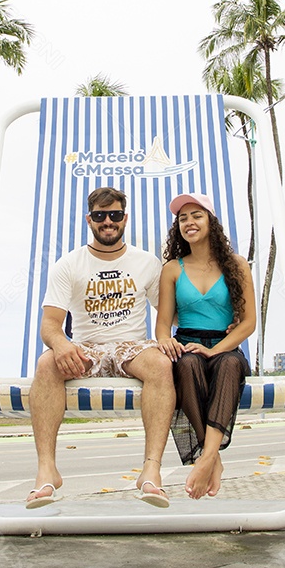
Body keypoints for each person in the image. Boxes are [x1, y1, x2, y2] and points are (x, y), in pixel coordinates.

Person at [27, 186, 176, 509]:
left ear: (125, 218)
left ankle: (150, 470)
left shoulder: (147, 263)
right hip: (87, 347)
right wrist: (62, 345)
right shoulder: (68, 264)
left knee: (162, 365)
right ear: (89, 219)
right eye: (100, 215)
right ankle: (47, 471)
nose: (108, 221)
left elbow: (171, 314)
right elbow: (50, 325)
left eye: (115, 215)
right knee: (46, 364)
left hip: (131, 346)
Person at [155, 192, 256, 500]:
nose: (189, 222)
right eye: (182, 218)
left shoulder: (237, 265)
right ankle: (213, 458)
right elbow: (162, 326)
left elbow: (249, 322)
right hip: (187, 346)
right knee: (186, 365)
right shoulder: (172, 269)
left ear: (211, 221)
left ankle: (205, 458)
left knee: (227, 364)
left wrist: (216, 349)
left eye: (196, 215)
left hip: (224, 347)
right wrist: (167, 343)